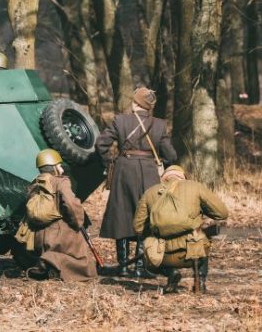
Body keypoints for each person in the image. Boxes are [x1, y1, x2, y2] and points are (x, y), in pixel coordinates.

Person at [95, 87, 177, 278]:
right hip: (149, 172)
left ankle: (123, 266)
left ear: (135, 103)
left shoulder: (120, 120)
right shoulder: (159, 125)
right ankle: (140, 267)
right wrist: (163, 167)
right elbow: (171, 155)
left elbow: (101, 144)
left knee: (121, 214)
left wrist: (110, 162)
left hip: (124, 170)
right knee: (147, 217)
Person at [133, 165, 228, 293]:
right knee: (203, 234)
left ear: (163, 178)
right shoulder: (195, 187)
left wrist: (155, 232)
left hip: (161, 256)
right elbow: (222, 213)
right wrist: (201, 213)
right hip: (192, 252)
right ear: (183, 177)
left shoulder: (150, 192)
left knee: (148, 245)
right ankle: (199, 280)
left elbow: (137, 227)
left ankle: (171, 273)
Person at [25, 149, 97, 282]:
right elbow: (71, 204)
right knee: (83, 260)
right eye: (59, 166)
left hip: (39, 235)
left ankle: (47, 264)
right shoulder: (60, 182)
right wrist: (78, 222)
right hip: (59, 234)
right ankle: (51, 263)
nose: (62, 170)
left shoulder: (35, 183)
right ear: (53, 168)